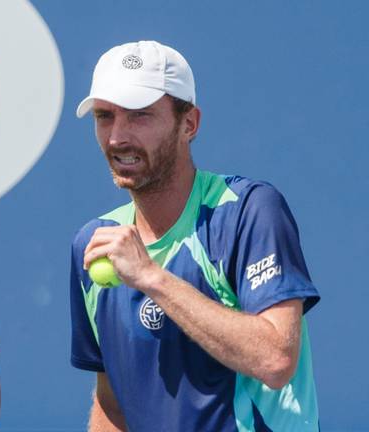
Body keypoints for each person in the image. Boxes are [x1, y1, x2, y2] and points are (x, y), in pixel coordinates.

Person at [69, 40, 320, 431]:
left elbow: (275, 360)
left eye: (139, 116)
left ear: (189, 124)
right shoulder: (95, 243)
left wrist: (152, 278)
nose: (117, 137)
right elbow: (113, 404)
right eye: (104, 116)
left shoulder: (248, 210)